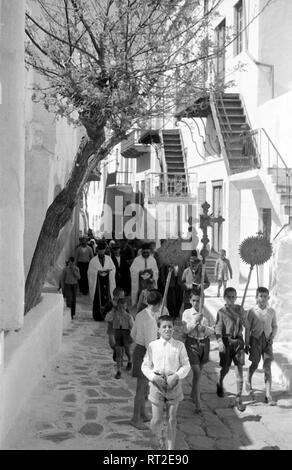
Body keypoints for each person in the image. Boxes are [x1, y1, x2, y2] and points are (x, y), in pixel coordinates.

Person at [142, 315, 190, 450]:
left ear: (173, 328)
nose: (167, 329)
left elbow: (186, 365)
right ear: (159, 330)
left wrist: (176, 376)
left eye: (170, 326)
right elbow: (145, 365)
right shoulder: (153, 346)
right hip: (157, 385)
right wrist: (153, 377)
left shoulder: (179, 346)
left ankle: (170, 449)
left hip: (173, 385)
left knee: (171, 419)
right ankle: (155, 445)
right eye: (164, 327)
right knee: (156, 419)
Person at [130, 290, 165, 430]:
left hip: (138, 350)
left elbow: (133, 334)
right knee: (141, 388)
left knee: (144, 388)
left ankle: (143, 413)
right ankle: (135, 418)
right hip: (146, 354)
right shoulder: (150, 321)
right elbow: (151, 344)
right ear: (158, 303)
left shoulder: (140, 314)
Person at [182, 289, 214, 412]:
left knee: (199, 372)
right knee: (196, 372)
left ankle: (193, 393)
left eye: (198, 300)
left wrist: (204, 329)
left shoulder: (207, 313)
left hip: (204, 343)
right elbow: (185, 330)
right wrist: (195, 322)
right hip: (192, 343)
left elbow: (213, 329)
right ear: (190, 301)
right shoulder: (187, 313)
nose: (196, 303)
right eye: (194, 300)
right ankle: (198, 403)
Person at [245, 287, 278, 406]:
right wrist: (246, 343)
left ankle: (268, 395)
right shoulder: (252, 311)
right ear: (256, 298)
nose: (263, 299)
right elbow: (248, 329)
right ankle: (248, 378)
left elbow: (275, 326)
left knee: (267, 367)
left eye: (265, 296)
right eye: (261, 296)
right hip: (255, 340)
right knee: (254, 363)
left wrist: (272, 337)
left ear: (268, 298)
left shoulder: (272, 311)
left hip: (268, 342)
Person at [215, 287, 246, 412]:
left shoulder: (240, 309)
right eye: (229, 297)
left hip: (238, 341)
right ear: (225, 297)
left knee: (239, 368)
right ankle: (220, 381)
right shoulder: (221, 312)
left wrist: (243, 317)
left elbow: (245, 324)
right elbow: (218, 328)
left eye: (234, 297)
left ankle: (239, 396)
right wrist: (219, 341)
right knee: (226, 368)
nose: (232, 299)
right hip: (226, 342)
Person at [105, 297, 134, 379]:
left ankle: (130, 360)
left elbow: (133, 327)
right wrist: (113, 311)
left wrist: (132, 336)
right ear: (117, 307)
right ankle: (119, 371)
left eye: (123, 308)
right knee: (118, 353)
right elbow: (107, 318)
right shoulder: (114, 314)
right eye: (120, 307)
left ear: (126, 307)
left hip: (126, 334)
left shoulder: (129, 316)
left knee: (127, 351)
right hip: (117, 333)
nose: (121, 309)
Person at [87, 240, 116, 321]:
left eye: (103, 250)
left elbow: (113, 268)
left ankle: (108, 316)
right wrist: (97, 272)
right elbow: (90, 272)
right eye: (100, 250)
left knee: (107, 297)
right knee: (97, 298)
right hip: (97, 282)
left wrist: (108, 271)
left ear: (105, 250)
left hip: (107, 281)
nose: (102, 251)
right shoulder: (93, 260)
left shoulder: (109, 259)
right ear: (97, 250)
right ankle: (98, 316)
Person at [130, 242, 159, 307]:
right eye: (144, 252)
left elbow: (156, 271)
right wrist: (139, 272)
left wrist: (153, 273)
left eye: (147, 252)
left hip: (150, 282)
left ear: (150, 252)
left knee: (150, 298)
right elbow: (132, 269)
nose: (145, 254)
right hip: (140, 282)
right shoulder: (137, 260)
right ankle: (140, 305)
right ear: (141, 251)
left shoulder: (153, 260)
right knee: (141, 298)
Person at [104, 287, 126, 362]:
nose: (123, 297)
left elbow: (127, 313)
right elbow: (104, 313)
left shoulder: (123, 304)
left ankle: (120, 358)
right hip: (111, 327)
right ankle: (116, 351)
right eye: (121, 295)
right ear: (115, 296)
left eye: (123, 295)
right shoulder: (109, 304)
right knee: (112, 344)